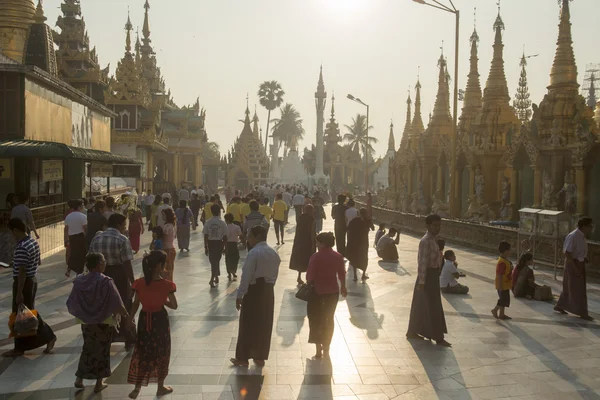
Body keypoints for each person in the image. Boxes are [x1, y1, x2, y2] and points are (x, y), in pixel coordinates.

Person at [67, 253, 128, 393]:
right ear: (99, 264)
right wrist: (127, 316)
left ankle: (79, 378)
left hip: (86, 321)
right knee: (103, 350)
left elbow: (72, 300)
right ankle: (98, 383)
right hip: (104, 321)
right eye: (104, 261)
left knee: (88, 348)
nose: (105, 263)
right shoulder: (106, 281)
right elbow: (117, 302)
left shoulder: (80, 280)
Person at [127, 251, 178, 399]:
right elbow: (174, 305)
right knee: (162, 351)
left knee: (143, 351)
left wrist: (130, 319)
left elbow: (136, 303)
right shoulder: (167, 285)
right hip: (160, 320)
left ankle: (137, 387)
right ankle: (160, 387)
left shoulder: (140, 283)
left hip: (144, 320)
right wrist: (163, 301)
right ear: (159, 266)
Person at [2, 218, 56, 357]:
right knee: (26, 313)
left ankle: (41, 339)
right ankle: (28, 343)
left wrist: (19, 292)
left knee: (22, 315)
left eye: (11, 232)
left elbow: (22, 271)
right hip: (32, 280)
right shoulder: (32, 242)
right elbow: (36, 261)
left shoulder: (21, 247)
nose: (12, 235)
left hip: (24, 282)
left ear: (15, 230)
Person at [231, 226, 280, 367]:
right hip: (268, 290)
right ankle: (260, 356)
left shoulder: (254, 253)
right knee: (264, 324)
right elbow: (274, 275)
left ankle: (243, 357)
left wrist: (240, 294)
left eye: (250, 236)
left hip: (254, 290)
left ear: (257, 237)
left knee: (248, 323)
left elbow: (246, 276)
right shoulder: (273, 253)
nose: (248, 238)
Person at [89, 213, 136, 349]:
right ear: (119, 224)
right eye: (124, 225)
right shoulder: (122, 239)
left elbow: (90, 258)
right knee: (124, 303)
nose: (125, 228)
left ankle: (106, 336)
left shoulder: (97, 238)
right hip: (119, 275)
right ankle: (128, 336)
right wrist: (132, 281)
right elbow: (127, 263)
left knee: (104, 305)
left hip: (100, 275)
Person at [406, 214, 450, 347]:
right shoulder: (425, 241)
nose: (437, 228)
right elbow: (422, 263)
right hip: (427, 277)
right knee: (432, 306)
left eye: (439, 225)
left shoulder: (434, 240)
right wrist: (422, 282)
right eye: (435, 225)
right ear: (428, 226)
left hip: (433, 276)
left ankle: (414, 331)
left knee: (422, 305)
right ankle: (438, 337)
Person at [306, 232, 347, 359]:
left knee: (316, 319)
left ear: (323, 243)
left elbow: (310, 276)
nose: (316, 244)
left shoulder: (316, 257)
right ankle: (327, 346)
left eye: (318, 242)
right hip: (332, 292)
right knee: (329, 319)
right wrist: (343, 287)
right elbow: (341, 273)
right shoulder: (338, 256)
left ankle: (318, 349)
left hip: (317, 292)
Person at [555, 217, 594, 320]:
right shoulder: (573, 235)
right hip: (573, 264)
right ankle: (582, 312)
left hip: (579, 263)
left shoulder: (582, 236)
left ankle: (560, 305)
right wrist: (575, 267)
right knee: (578, 289)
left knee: (570, 287)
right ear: (584, 226)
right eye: (590, 226)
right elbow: (568, 253)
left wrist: (584, 258)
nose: (591, 228)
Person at [289, 204, 316, 285]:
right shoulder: (312, 219)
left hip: (299, 241)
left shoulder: (300, 217)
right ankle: (309, 278)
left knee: (300, 259)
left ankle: (299, 277)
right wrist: (313, 243)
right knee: (310, 260)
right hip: (308, 242)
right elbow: (312, 232)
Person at [203, 204, 228, 288]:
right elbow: (225, 236)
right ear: (219, 211)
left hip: (210, 243)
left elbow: (205, 235)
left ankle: (215, 276)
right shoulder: (222, 223)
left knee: (213, 261)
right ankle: (212, 278)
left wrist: (205, 246)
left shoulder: (208, 222)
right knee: (216, 260)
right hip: (219, 243)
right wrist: (224, 246)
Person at [346, 208, 373, 282]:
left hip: (355, 241)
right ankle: (363, 274)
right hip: (363, 242)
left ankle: (355, 275)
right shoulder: (367, 220)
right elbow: (373, 228)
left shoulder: (354, 221)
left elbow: (348, 229)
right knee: (364, 257)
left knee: (355, 257)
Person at [64, 199, 88, 277]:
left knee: (73, 254)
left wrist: (66, 239)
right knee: (81, 255)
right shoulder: (83, 216)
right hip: (81, 237)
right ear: (78, 206)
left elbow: (66, 229)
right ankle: (78, 273)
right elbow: (85, 228)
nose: (82, 207)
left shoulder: (68, 217)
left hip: (71, 238)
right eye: (81, 205)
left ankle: (68, 270)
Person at [492, 241, 513, 320]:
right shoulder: (502, 262)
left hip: (505, 283)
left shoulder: (505, 260)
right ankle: (495, 310)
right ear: (506, 251)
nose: (510, 252)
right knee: (503, 299)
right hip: (502, 284)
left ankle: (502, 314)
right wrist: (500, 286)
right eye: (510, 250)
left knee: (504, 299)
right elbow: (500, 275)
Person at [225, 213, 242, 280]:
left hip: (227, 244)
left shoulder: (225, 228)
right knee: (235, 258)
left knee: (228, 259)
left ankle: (229, 273)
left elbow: (223, 237)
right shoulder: (237, 227)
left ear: (226, 220)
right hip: (234, 244)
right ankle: (233, 271)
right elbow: (240, 235)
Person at [161, 208, 177, 281]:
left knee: (167, 269)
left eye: (164, 215)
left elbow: (163, 236)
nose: (162, 216)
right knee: (168, 269)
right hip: (169, 248)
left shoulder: (168, 226)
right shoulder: (170, 225)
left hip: (168, 249)